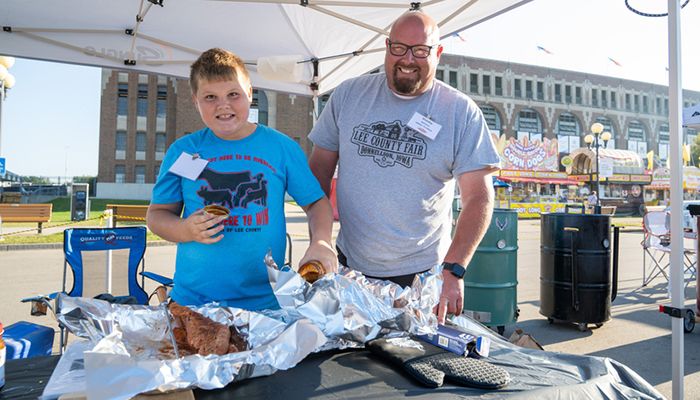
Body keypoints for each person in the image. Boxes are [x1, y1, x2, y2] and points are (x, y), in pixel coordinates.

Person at [308, 11, 500, 323]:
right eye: (399, 48)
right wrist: (320, 240)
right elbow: (317, 174)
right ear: (387, 47)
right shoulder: (348, 95)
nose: (408, 59)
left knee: (406, 366)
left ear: (437, 53)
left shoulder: (461, 112)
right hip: (347, 266)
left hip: (420, 279)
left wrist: (454, 268)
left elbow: (479, 198)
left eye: (420, 50)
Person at [147, 48, 337, 310]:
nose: (223, 105)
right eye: (210, 97)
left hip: (267, 303)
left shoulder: (281, 148)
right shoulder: (184, 151)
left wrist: (321, 242)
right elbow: (157, 215)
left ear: (250, 93)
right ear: (196, 101)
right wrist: (185, 230)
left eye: (233, 94)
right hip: (193, 303)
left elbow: (316, 203)